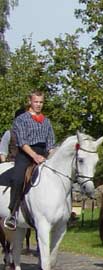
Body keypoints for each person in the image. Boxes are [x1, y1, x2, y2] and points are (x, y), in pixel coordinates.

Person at [4, 91, 55, 231]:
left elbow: (50, 144)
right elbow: (22, 142)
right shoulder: (21, 120)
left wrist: (52, 156)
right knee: (17, 179)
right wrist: (34, 156)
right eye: (36, 102)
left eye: (41, 102)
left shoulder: (47, 121)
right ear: (30, 102)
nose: (39, 104)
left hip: (43, 153)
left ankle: (63, 213)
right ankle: (12, 213)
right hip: (26, 154)